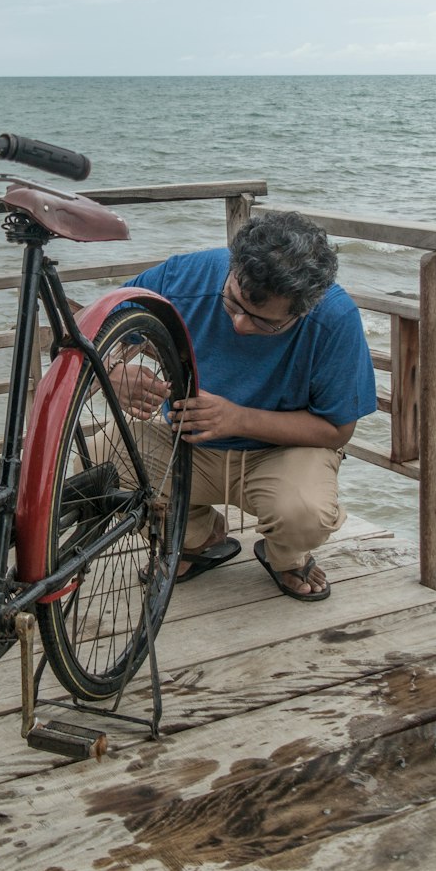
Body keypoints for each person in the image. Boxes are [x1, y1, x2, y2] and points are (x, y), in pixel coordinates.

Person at [118, 209, 376, 600]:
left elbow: (338, 429)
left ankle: (285, 556)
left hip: (280, 455)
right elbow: (96, 324)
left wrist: (237, 418)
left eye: (264, 322)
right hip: (185, 447)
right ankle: (197, 539)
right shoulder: (183, 276)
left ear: (304, 309)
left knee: (304, 512)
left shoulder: (335, 318)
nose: (240, 324)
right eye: (233, 303)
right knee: (104, 464)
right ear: (234, 266)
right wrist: (113, 369)